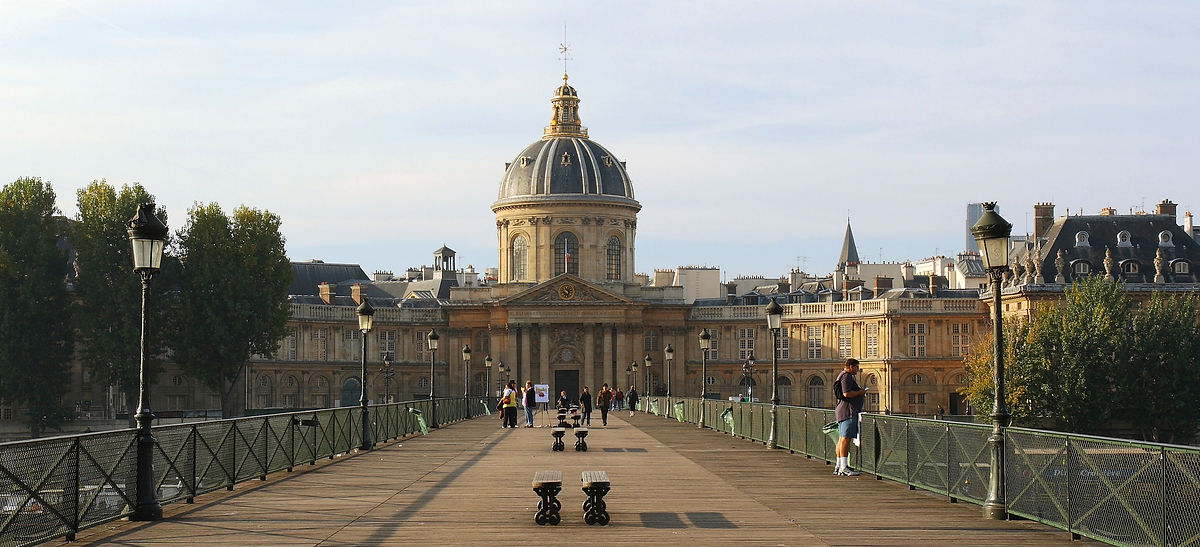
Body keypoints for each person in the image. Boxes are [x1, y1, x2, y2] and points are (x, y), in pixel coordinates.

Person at [834, 358, 867, 476]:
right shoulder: (846, 376)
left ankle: (838, 466)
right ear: (851, 366)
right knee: (846, 439)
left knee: (841, 439)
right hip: (848, 411)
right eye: (857, 367)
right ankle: (844, 467)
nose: (858, 370)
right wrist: (860, 393)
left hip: (843, 411)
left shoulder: (842, 375)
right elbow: (846, 393)